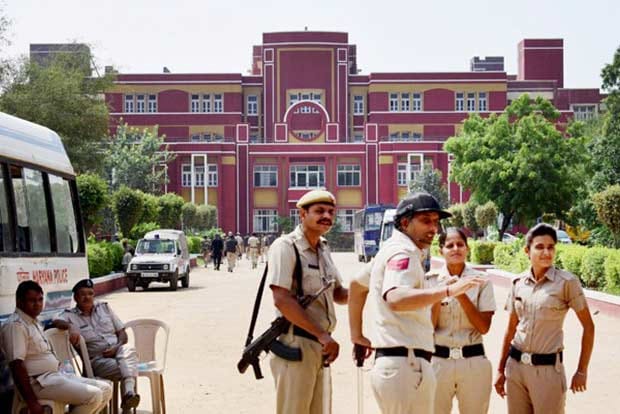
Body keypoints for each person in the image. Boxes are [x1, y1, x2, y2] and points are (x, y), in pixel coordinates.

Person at [348, 192, 485, 414]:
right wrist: (448, 290)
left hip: (399, 364)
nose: (433, 228)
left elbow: (356, 285)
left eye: (435, 222)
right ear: (405, 223)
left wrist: (357, 335)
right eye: (425, 221)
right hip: (406, 365)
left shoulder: (390, 250)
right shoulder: (404, 252)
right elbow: (395, 297)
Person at [494, 223, 595, 414]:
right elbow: (511, 329)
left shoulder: (566, 283)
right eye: (539, 247)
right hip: (516, 369)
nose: (546, 252)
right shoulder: (518, 283)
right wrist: (500, 370)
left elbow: (589, 327)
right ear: (527, 251)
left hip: (548, 372)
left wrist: (582, 370)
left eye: (551, 247)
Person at [268, 189, 348, 414]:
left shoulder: (323, 248)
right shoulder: (286, 246)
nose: (327, 216)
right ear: (302, 214)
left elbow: (338, 293)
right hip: (297, 343)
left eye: (331, 212)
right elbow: (281, 299)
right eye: (320, 211)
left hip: (321, 346)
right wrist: (322, 335)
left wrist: (367, 287)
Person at [1, 280, 112, 414]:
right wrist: (32, 403)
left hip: (55, 376)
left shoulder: (33, 322)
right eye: (32, 300)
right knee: (94, 396)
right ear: (19, 301)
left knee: (106, 389)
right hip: (39, 382)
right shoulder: (15, 325)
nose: (37, 304)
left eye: (40, 300)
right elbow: (16, 366)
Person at [428, 228, 496, 414]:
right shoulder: (430, 281)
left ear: (467, 248)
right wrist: (441, 293)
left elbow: (483, 327)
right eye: (449, 245)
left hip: (473, 362)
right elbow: (428, 328)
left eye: (460, 244)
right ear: (441, 250)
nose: (455, 249)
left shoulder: (481, 281)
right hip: (438, 362)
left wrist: (459, 293)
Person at [52, 279, 141, 414]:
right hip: (97, 361)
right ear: (75, 298)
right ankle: (128, 403)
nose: (87, 297)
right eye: (83, 294)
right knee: (129, 366)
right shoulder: (69, 315)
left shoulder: (104, 308)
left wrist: (116, 347)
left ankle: (129, 394)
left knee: (128, 349)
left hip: (118, 352)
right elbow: (55, 320)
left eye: (90, 293)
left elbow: (122, 333)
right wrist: (70, 326)